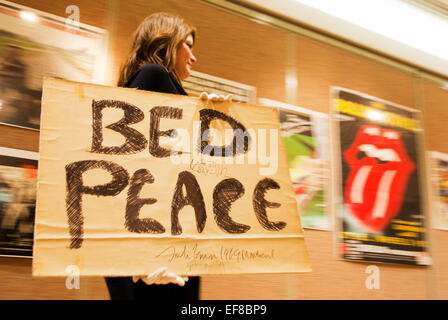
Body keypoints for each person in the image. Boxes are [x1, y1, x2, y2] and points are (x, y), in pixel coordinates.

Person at [105, 12, 230, 301]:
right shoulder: (154, 75)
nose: (194, 57)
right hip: (151, 243)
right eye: (188, 44)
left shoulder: (165, 87)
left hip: (159, 237)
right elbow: (130, 161)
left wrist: (213, 119)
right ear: (165, 43)